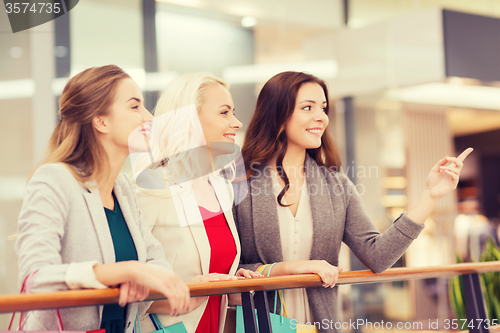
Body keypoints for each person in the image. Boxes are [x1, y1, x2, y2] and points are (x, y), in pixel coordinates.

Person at [233, 71, 473, 332]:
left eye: (323, 108)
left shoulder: (336, 186)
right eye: (307, 107)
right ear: (277, 115)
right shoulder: (238, 184)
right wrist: (290, 268)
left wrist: (429, 196)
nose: (321, 117)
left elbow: (377, 256)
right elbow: (227, 270)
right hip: (258, 325)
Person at [15, 65, 190, 333]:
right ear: (101, 121)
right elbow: (36, 278)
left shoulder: (122, 187)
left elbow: (156, 261)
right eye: (134, 107)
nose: (148, 117)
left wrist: (143, 275)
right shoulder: (54, 179)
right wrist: (126, 272)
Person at [134, 73, 260, 333]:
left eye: (233, 112)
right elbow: (126, 289)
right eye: (224, 113)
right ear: (188, 119)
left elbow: (210, 267)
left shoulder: (221, 187)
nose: (236, 122)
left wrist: (231, 281)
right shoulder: (151, 188)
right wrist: (187, 293)